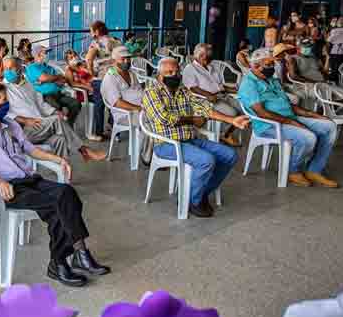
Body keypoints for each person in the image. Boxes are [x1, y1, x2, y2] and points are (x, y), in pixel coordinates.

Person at [0, 81, 110, 287]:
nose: (7, 105)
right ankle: (67, 258)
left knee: (67, 193)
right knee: (58, 205)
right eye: (4, 101)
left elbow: (30, 150)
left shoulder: (10, 124)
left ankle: (72, 256)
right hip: (6, 189)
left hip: (29, 179)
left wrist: (58, 160)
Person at [143, 57, 249, 218]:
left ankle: (199, 193)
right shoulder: (151, 92)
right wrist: (192, 119)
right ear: (159, 75)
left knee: (230, 155)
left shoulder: (182, 90)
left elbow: (204, 108)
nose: (175, 75)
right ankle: (191, 200)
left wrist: (231, 120)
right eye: (169, 72)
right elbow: (165, 119)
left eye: (177, 71)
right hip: (166, 143)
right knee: (206, 160)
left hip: (190, 139)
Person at [238, 48, 339, 188]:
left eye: (273, 64)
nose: (272, 67)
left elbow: (288, 105)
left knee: (330, 126)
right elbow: (262, 113)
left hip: (289, 117)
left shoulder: (272, 80)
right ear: (256, 66)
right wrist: (291, 122)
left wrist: (312, 114)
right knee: (308, 137)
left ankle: (314, 170)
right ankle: (293, 171)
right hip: (269, 125)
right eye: (268, 65)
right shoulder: (249, 83)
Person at [3, 57, 104, 162]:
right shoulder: (4, 89)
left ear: (20, 69)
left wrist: (55, 111)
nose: (7, 72)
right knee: (57, 120)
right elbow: (3, 113)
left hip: (40, 126)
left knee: (60, 140)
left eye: (11, 69)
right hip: (24, 131)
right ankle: (85, 151)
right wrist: (24, 120)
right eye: (6, 69)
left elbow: (41, 104)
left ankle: (63, 174)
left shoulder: (27, 84)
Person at [182, 43, 241, 146]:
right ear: (200, 56)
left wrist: (234, 90)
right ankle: (223, 134)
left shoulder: (211, 66)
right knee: (232, 113)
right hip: (206, 99)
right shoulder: (190, 69)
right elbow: (193, 88)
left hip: (221, 95)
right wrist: (208, 95)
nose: (211, 58)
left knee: (243, 108)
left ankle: (226, 133)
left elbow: (219, 85)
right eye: (208, 55)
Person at [25, 46, 81, 125]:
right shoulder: (32, 67)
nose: (47, 55)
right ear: (38, 55)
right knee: (56, 106)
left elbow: (63, 80)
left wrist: (49, 79)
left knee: (76, 104)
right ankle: (61, 126)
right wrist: (54, 78)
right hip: (44, 96)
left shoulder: (50, 68)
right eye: (45, 53)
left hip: (58, 94)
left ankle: (68, 125)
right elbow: (44, 78)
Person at [85, 21, 119, 138]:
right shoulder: (115, 40)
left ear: (97, 32)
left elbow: (88, 59)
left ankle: (99, 132)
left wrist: (91, 73)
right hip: (114, 76)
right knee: (114, 102)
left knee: (99, 104)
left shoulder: (96, 43)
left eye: (91, 31)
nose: (90, 33)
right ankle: (114, 127)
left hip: (100, 78)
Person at [101, 45, 144, 126]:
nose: (126, 61)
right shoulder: (110, 77)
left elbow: (139, 91)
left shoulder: (131, 73)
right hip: (125, 114)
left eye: (128, 58)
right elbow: (117, 103)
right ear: (114, 61)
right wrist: (139, 109)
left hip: (139, 109)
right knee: (152, 120)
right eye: (123, 59)